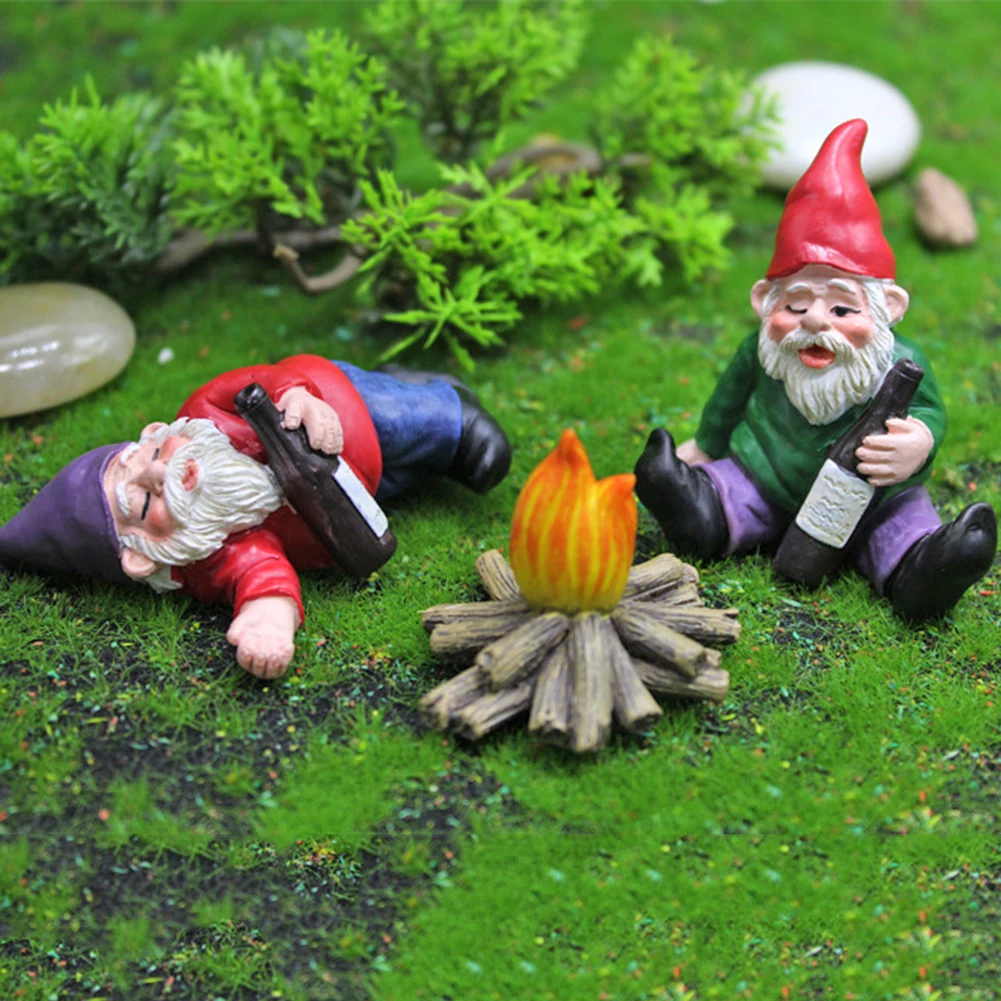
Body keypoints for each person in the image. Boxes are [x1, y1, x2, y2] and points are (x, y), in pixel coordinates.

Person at [634, 119, 996, 621]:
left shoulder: (902, 364)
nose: (816, 322)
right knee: (730, 493)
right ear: (764, 301)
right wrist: (707, 446)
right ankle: (697, 508)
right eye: (797, 305)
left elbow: (930, 413)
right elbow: (727, 401)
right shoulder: (762, 350)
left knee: (898, 525)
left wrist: (918, 443)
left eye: (843, 310)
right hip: (764, 474)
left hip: (875, 498)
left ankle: (925, 568)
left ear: (889, 309)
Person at [0, 355, 511, 678]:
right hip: (360, 492)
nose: (161, 473)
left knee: (400, 419)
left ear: (155, 432)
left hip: (346, 407)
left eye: (153, 455)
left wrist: (296, 396)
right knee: (410, 474)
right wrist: (267, 621)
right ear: (140, 558)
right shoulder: (214, 549)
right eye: (147, 503)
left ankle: (453, 414)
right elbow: (262, 574)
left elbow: (255, 379)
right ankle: (415, 389)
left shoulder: (205, 416)